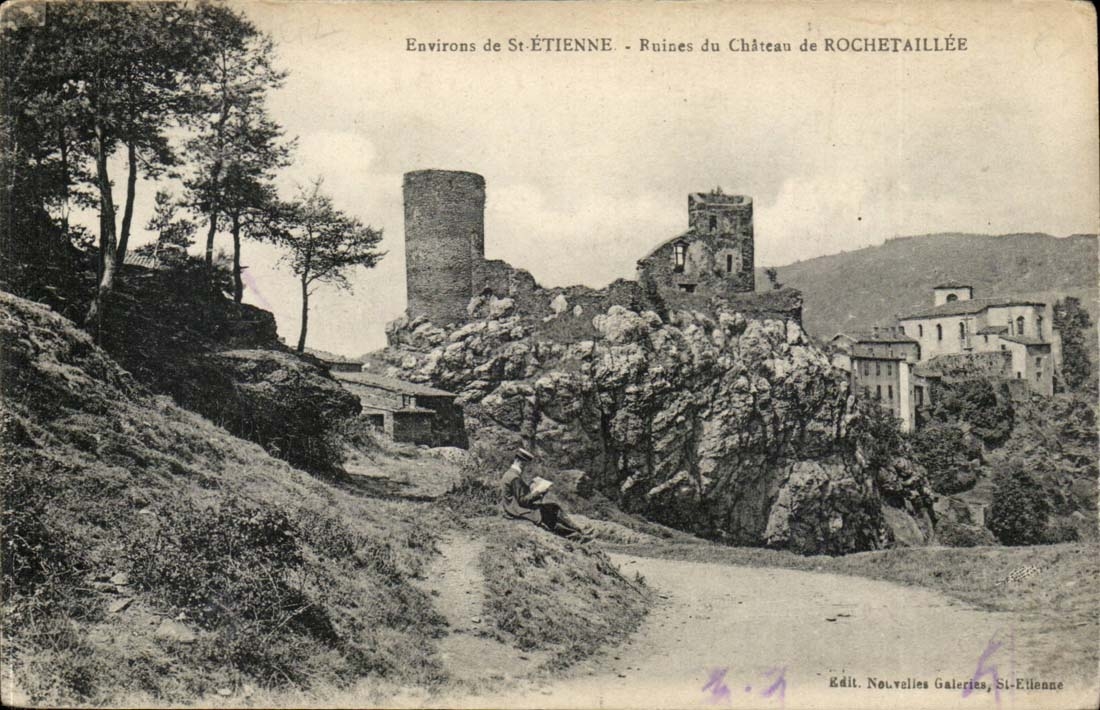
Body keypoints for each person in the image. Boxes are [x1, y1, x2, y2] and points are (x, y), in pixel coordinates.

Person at [500, 448, 592, 542]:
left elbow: (518, 495)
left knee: (553, 508)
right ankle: (576, 536)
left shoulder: (510, 474)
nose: (525, 467)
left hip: (513, 507)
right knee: (547, 515)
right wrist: (538, 491)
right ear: (519, 461)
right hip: (516, 510)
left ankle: (579, 531)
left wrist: (532, 487)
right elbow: (523, 501)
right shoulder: (515, 477)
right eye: (525, 464)